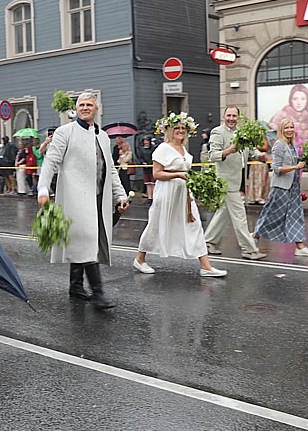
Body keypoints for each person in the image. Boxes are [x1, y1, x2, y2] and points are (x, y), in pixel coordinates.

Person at [38, 92, 129, 309]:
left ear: (96, 109)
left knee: (84, 241)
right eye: (81, 105)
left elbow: (111, 170)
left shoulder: (103, 136)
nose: (85, 108)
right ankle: (98, 294)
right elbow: (50, 162)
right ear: (76, 108)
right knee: (88, 241)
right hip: (76, 198)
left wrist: (120, 195)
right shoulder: (65, 132)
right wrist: (42, 188)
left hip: (99, 198)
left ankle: (76, 285)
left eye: (89, 104)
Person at [134, 114, 227, 277]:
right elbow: (156, 174)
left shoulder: (183, 148)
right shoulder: (163, 148)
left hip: (184, 194)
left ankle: (205, 266)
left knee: (195, 225)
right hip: (167, 192)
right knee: (156, 225)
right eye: (177, 128)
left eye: (183, 128)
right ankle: (140, 259)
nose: (180, 131)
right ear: (170, 130)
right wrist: (178, 175)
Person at [204, 106, 267, 260]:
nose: (231, 118)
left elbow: (251, 150)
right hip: (224, 180)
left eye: (234, 116)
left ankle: (208, 242)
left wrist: (260, 156)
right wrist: (229, 150)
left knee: (223, 213)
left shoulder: (241, 133)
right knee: (239, 215)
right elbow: (213, 155)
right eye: (228, 115)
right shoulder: (218, 132)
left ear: (238, 117)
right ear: (224, 117)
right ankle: (249, 249)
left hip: (237, 179)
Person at [253, 119, 308, 257]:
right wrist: (295, 167)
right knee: (272, 215)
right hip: (281, 187)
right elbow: (276, 169)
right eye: (286, 128)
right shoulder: (279, 145)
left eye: (291, 127)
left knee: (296, 215)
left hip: (293, 186)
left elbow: (297, 164)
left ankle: (300, 247)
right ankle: (254, 238)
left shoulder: (292, 145)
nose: (289, 130)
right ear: (281, 130)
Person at [245, 137, 270, 205]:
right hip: (254, 163)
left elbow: (264, 147)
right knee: (253, 180)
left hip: (261, 162)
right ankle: (252, 197)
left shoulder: (263, 138)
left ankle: (260, 196)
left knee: (261, 180)